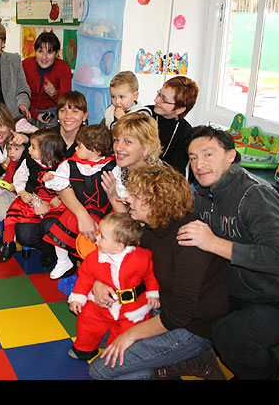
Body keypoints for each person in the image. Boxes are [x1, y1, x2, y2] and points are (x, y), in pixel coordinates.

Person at [177, 125, 279, 379]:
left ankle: (264, 375)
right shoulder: (204, 194)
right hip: (238, 293)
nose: (199, 164)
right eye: (193, 158)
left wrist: (213, 243)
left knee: (230, 335)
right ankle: (203, 361)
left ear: (231, 156)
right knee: (184, 302)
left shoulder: (256, 195)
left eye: (208, 154)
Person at [88, 162, 229, 380]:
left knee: (101, 371)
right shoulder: (157, 227)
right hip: (163, 309)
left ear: (156, 202)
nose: (128, 199)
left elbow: (178, 317)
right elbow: (124, 250)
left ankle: (191, 363)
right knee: (108, 345)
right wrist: (100, 282)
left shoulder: (188, 242)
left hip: (194, 330)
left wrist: (130, 335)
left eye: (135, 195)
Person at [67, 212, 160, 361]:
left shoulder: (141, 258)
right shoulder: (94, 258)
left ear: (119, 246)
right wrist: (78, 297)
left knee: (126, 330)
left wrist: (153, 293)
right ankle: (85, 348)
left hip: (131, 307)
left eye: (102, 236)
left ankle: (113, 352)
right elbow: (85, 278)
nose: (97, 238)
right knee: (87, 320)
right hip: (101, 304)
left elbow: (150, 276)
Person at [12, 91, 89, 267]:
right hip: (37, 199)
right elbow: (24, 172)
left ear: (85, 115)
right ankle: (49, 249)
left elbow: (88, 182)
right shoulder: (44, 137)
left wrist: (61, 198)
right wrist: (36, 200)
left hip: (71, 204)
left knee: (50, 225)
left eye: (75, 111)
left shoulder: (89, 143)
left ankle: (64, 255)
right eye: (63, 111)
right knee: (24, 234)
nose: (68, 116)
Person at [43, 123, 116, 279]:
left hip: (103, 211)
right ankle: (63, 261)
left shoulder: (111, 166)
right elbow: (59, 181)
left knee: (102, 239)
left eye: (80, 146)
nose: (75, 149)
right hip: (79, 209)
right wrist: (50, 178)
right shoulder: (69, 164)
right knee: (61, 231)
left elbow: (120, 190)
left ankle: (101, 267)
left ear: (95, 151)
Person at [0, 128, 67, 263]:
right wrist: (22, 192)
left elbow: (68, 183)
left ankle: (56, 254)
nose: (28, 149)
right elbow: (18, 178)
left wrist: (60, 198)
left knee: (53, 226)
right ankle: (8, 243)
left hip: (53, 202)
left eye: (33, 147)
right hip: (32, 198)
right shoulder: (28, 161)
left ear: (46, 151)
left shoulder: (62, 165)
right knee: (12, 216)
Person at [101, 112, 162, 215]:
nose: (118, 148)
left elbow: (135, 228)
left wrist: (113, 197)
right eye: (116, 140)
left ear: (146, 147)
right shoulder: (119, 170)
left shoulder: (157, 181)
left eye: (128, 142)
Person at [145, 75, 199, 176]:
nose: (156, 100)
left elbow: (175, 171)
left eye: (163, 99)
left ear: (180, 109)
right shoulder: (145, 113)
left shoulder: (185, 132)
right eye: (159, 94)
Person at [22, 31, 72, 128]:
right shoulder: (25, 65)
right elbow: (19, 94)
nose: (44, 57)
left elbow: (66, 101)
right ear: (35, 51)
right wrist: (35, 115)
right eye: (40, 52)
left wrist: (54, 93)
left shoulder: (63, 67)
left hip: (51, 109)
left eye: (49, 52)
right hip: (28, 108)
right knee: (22, 135)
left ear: (57, 53)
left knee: (49, 138)